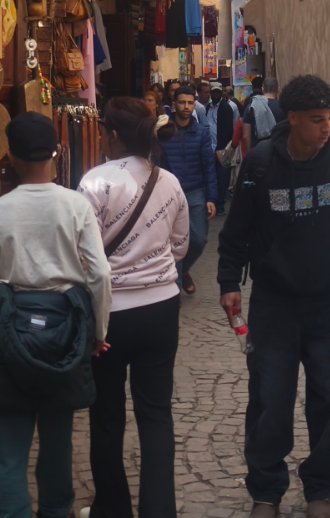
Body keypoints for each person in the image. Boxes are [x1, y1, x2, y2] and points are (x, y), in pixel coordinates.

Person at [217, 75, 330, 518]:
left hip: (328, 303)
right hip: (274, 304)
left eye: (329, 118)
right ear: (291, 119)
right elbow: (237, 229)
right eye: (316, 120)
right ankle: (265, 491)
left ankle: (321, 490)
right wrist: (229, 282)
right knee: (270, 399)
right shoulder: (262, 163)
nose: (326, 128)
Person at [0, 112, 112, 518]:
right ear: (57, 153)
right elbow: (99, 273)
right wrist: (98, 332)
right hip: (63, 328)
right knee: (58, 441)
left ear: (9, 156)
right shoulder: (76, 205)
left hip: (8, 325)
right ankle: (56, 511)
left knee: (8, 452)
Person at [78, 98, 190, 518]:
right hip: (161, 307)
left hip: (110, 314)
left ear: (110, 135)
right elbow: (181, 246)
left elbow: (83, 255)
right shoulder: (169, 182)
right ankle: (159, 510)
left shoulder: (94, 182)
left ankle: (112, 509)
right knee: (156, 413)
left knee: (106, 413)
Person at [159, 84, 216, 295]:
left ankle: (183, 271)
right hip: (169, 194)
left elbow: (208, 166)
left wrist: (211, 197)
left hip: (195, 193)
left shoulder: (201, 133)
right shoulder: (164, 131)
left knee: (199, 239)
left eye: (190, 102)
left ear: (195, 104)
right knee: (173, 241)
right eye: (182, 102)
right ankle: (174, 291)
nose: (186, 106)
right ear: (174, 104)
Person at [208, 83, 238, 213]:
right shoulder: (209, 107)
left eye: (218, 92)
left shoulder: (226, 108)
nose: (215, 95)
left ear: (222, 93)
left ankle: (219, 205)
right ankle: (213, 203)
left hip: (221, 149)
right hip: (210, 147)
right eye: (213, 92)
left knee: (222, 177)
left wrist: (218, 149)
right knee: (212, 177)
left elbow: (227, 130)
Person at [243, 77, 285, 151]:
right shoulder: (284, 107)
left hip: (257, 151)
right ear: (278, 89)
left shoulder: (251, 106)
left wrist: (250, 154)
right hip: (279, 152)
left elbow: (246, 136)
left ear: (262, 89)